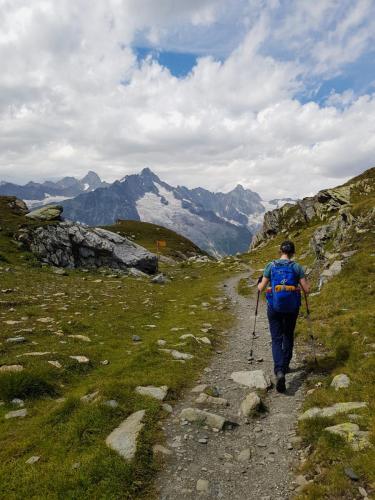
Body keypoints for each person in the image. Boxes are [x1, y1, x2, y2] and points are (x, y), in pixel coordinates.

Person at [257, 240, 309, 393]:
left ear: (280, 251)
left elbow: (261, 288)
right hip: (292, 308)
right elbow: (306, 290)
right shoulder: (296, 267)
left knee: (276, 338)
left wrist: (260, 281)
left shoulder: (271, 266)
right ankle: (285, 365)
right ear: (293, 252)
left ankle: (279, 370)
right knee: (288, 335)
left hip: (274, 307)